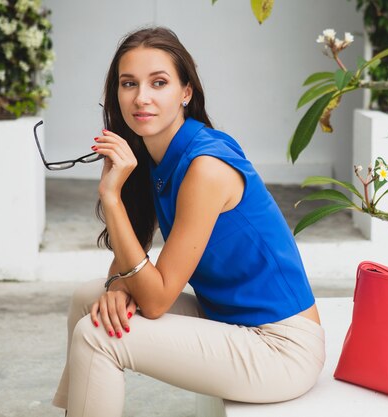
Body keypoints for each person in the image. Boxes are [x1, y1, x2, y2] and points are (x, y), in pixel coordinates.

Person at [51, 26, 325, 417]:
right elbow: (134, 250)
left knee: (100, 336)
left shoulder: (205, 166)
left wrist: (110, 197)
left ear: (185, 93)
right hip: (228, 320)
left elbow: (157, 298)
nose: (141, 98)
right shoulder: (150, 153)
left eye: (158, 82)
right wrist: (115, 285)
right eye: (129, 84)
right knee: (88, 299)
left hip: (280, 347)